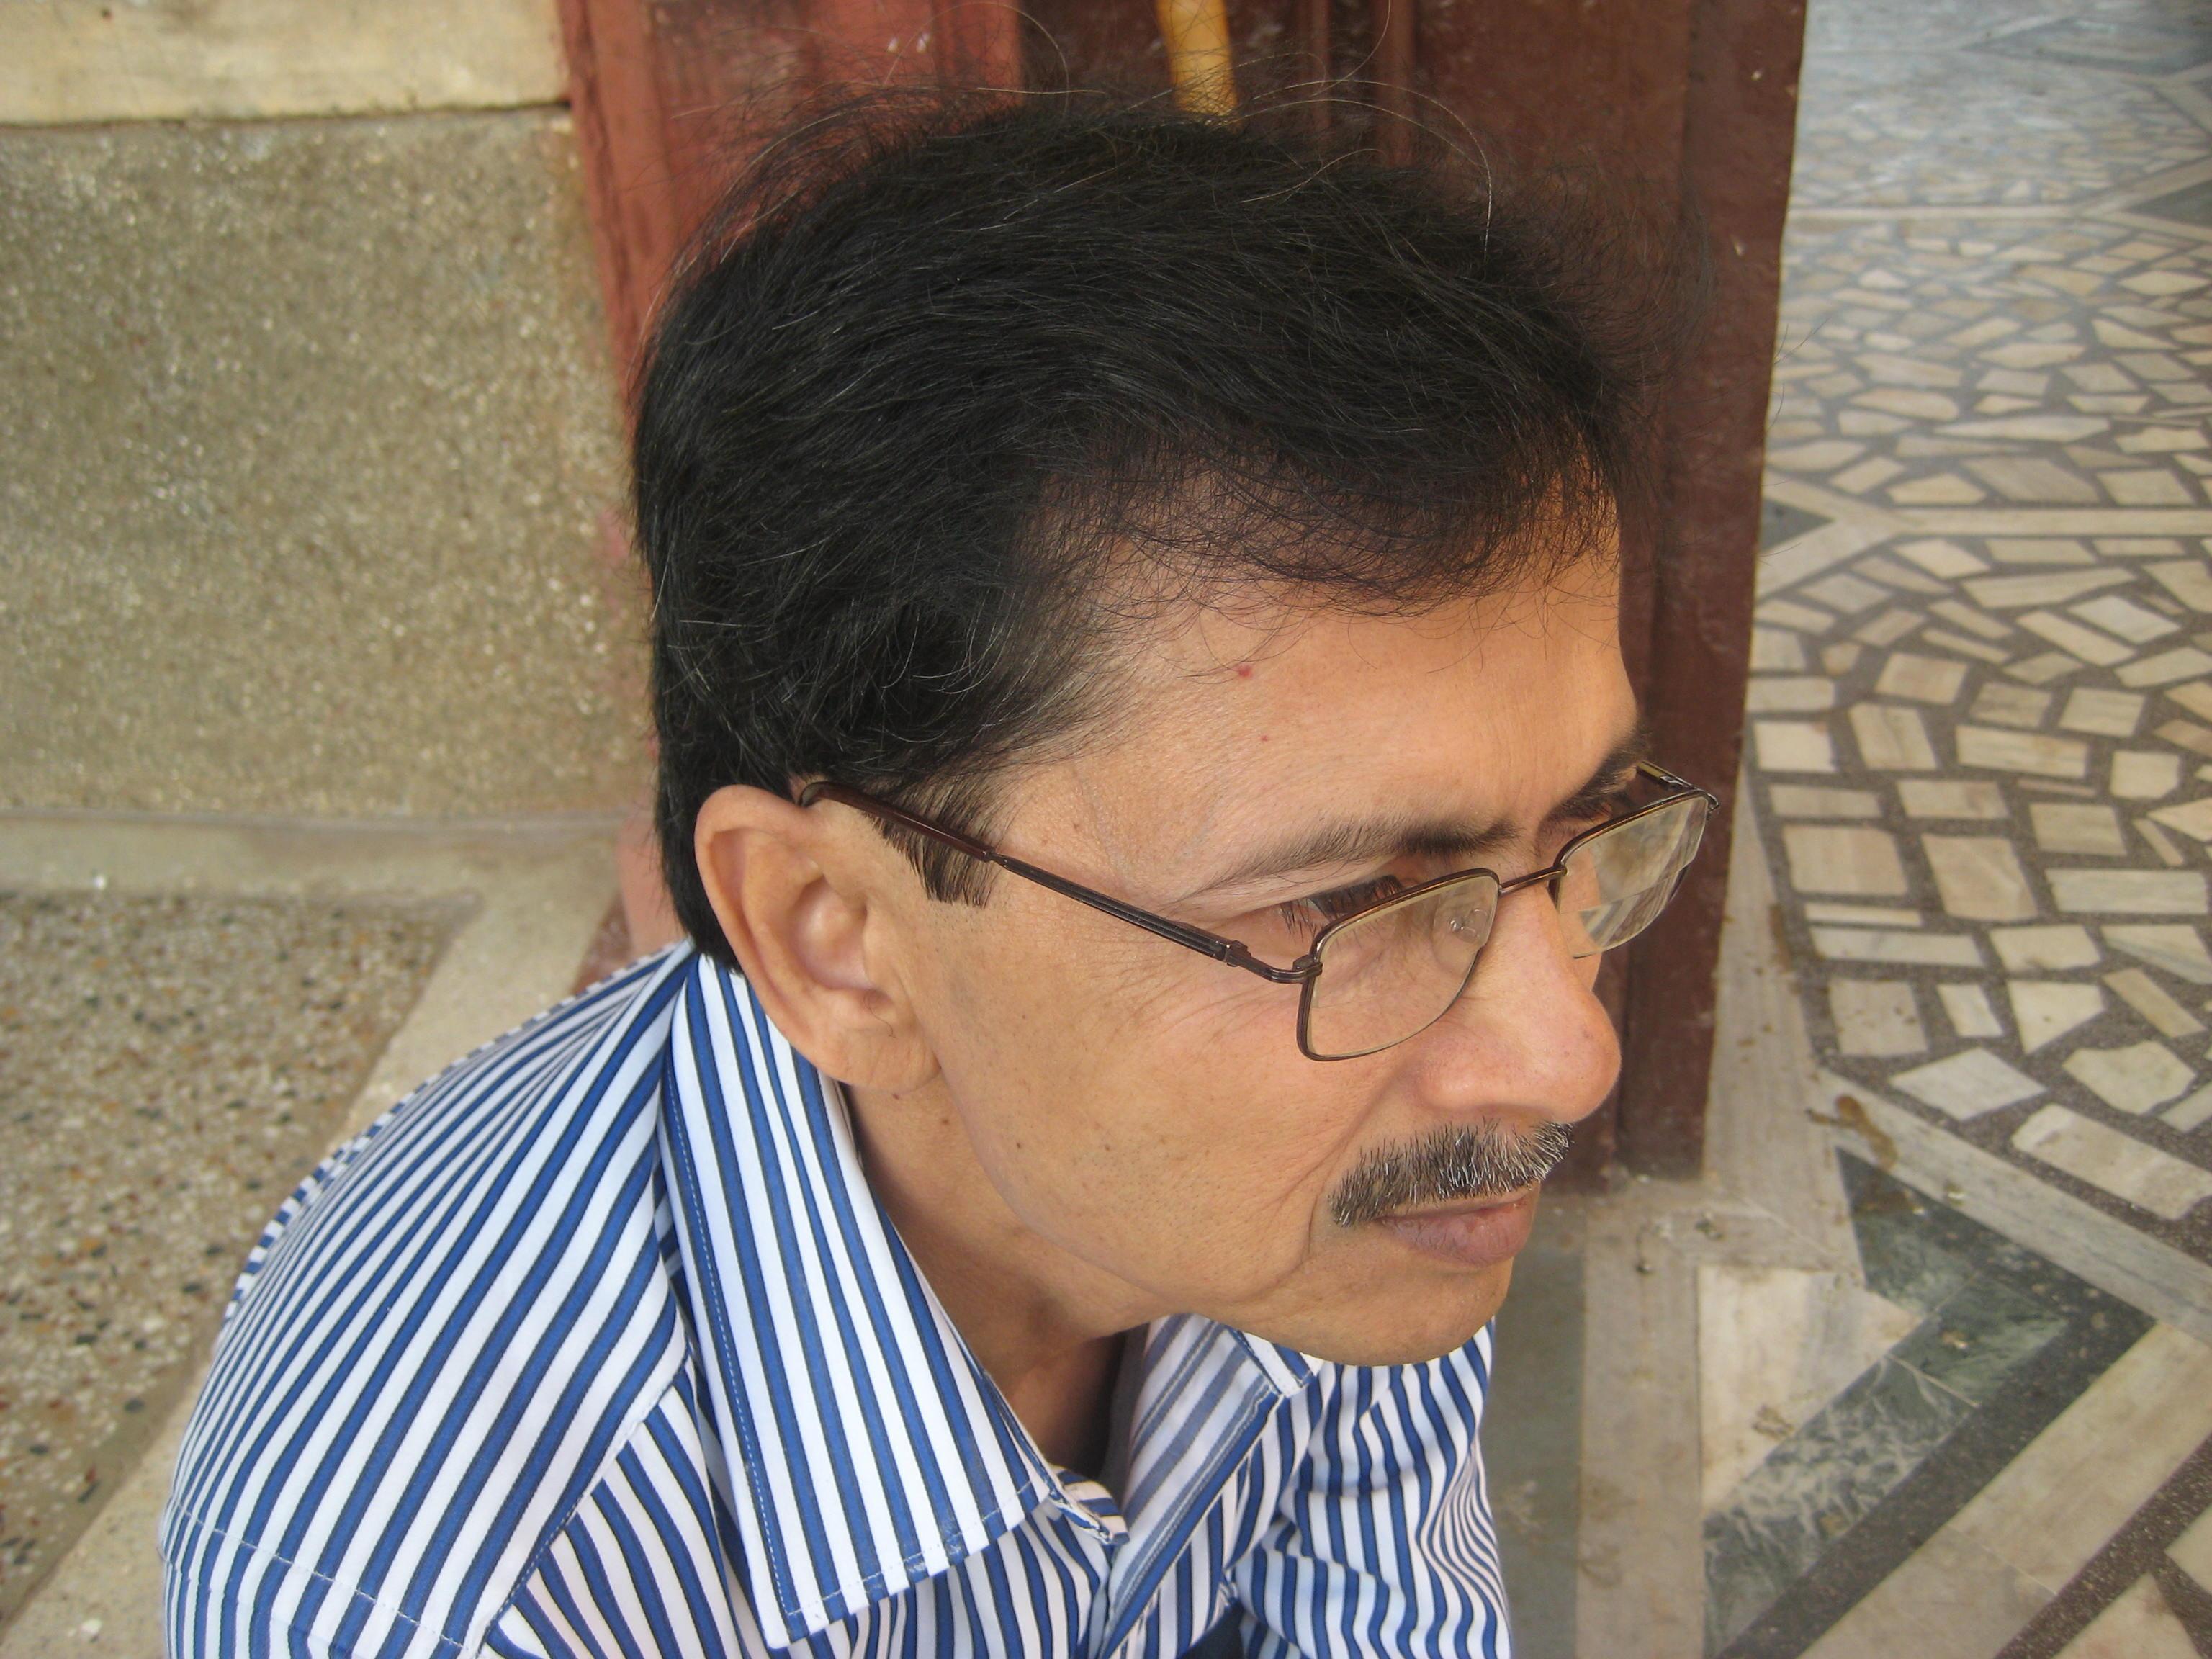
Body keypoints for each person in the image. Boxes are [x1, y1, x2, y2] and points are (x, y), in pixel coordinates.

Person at [161, 93, 1708, 1658]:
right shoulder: (448, 1600)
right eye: (1349, 906)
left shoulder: (1345, 1195)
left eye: (1581, 829)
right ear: (837, 937)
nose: (1566, 1055)